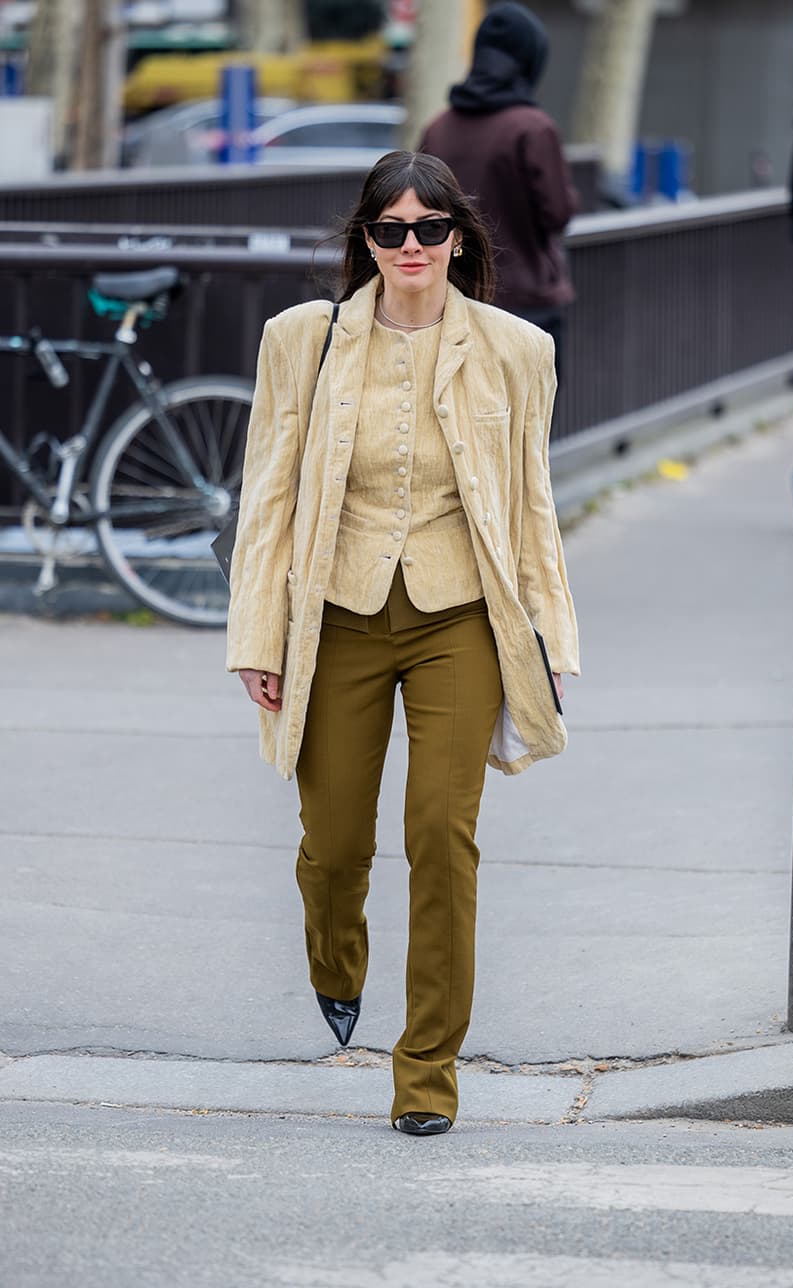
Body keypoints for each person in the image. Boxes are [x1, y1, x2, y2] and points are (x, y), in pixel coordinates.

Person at [226, 149, 579, 1136]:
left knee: (440, 833)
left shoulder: (514, 350)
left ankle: (426, 1071)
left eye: (430, 228)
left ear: (458, 237)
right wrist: (258, 635)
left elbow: (531, 506)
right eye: (391, 229)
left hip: (457, 616)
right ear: (366, 241)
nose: (411, 245)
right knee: (333, 843)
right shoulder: (303, 340)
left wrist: (550, 636)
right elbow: (269, 499)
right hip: (333, 614)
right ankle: (334, 959)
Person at [418, 1, 578, 378]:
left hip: (449, 303)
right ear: (530, 62)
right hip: (526, 304)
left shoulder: (437, 128)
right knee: (526, 429)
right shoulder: (533, 129)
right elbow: (557, 212)